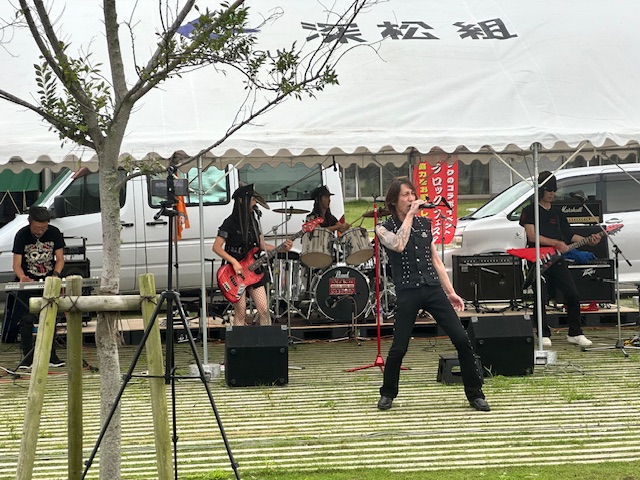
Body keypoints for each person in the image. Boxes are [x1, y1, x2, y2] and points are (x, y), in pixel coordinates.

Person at [375, 177, 490, 412]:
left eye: (412, 194)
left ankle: (475, 394)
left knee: (461, 339)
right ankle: (387, 392)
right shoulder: (383, 228)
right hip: (407, 290)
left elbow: (435, 260)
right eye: (405, 195)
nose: (411, 198)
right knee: (399, 346)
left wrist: (451, 292)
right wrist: (410, 215)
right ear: (394, 200)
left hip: (432, 288)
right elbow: (398, 245)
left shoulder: (424, 224)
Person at [519, 171, 601, 348]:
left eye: (554, 190)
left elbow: (570, 236)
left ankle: (575, 333)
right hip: (538, 259)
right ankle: (543, 333)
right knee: (541, 297)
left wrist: (589, 240)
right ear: (541, 190)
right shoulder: (529, 210)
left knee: (572, 294)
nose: (552, 193)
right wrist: (555, 243)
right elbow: (532, 236)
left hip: (557, 259)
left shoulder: (557, 213)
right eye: (548, 190)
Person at [213, 184, 292, 326]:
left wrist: (281, 248)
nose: (255, 202)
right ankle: (238, 339)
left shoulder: (254, 221)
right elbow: (216, 247)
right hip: (235, 272)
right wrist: (234, 262)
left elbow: (261, 245)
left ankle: (265, 338)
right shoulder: (229, 223)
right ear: (241, 200)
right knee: (241, 312)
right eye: (252, 198)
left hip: (253, 270)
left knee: (264, 310)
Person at [12, 206, 66, 369]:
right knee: (27, 319)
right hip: (28, 281)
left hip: (48, 281)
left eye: (44, 227)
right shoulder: (22, 235)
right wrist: (22, 277)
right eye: (37, 228)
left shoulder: (54, 233)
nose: (40, 231)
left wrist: (55, 275)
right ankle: (28, 357)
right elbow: (16, 264)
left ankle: (51, 356)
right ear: (30, 223)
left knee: (50, 318)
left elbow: (60, 259)